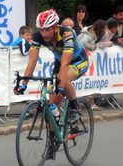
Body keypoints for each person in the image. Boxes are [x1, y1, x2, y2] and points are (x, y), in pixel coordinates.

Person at [14, 9, 89, 159]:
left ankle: (75, 107)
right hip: (60, 61)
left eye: (48, 29)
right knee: (52, 103)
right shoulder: (37, 36)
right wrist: (24, 84)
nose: (44, 34)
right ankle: (53, 141)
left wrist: (61, 87)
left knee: (63, 79)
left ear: (55, 27)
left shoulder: (67, 34)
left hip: (77, 61)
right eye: (41, 30)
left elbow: (65, 65)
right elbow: (32, 61)